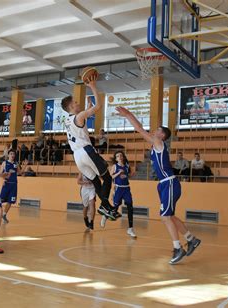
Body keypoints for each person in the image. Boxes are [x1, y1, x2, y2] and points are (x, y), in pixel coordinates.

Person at [116, 106, 201, 265]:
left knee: (165, 217)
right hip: (164, 184)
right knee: (171, 216)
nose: (154, 131)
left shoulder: (158, 142)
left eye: (157, 129)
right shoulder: (155, 146)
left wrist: (127, 114)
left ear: (162, 135)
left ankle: (178, 248)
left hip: (169, 182)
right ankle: (191, 240)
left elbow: (140, 129)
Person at [61, 78, 116, 220]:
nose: (77, 103)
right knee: (107, 178)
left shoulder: (67, 120)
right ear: (71, 106)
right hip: (86, 151)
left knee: (96, 182)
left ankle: (107, 208)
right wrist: (93, 86)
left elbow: (80, 119)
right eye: (75, 102)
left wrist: (86, 108)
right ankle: (104, 206)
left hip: (77, 157)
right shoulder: (79, 116)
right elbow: (98, 106)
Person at [105, 150, 136, 238]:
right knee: (115, 208)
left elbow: (128, 175)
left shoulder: (126, 166)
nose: (120, 157)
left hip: (126, 188)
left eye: (121, 155)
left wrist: (132, 174)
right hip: (118, 188)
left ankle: (130, 228)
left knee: (130, 207)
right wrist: (118, 173)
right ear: (116, 158)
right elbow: (111, 176)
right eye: (118, 156)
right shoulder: (115, 166)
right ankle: (106, 215)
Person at [0, 149, 27, 224]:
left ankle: (4, 215)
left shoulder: (16, 164)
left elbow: (20, 172)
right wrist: (7, 174)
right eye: (11, 154)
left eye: (13, 154)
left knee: (10, 201)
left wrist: (25, 165)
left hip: (14, 185)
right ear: (8, 155)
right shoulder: (4, 163)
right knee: (0, 200)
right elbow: (1, 174)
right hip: (6, 184)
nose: (12, 155)